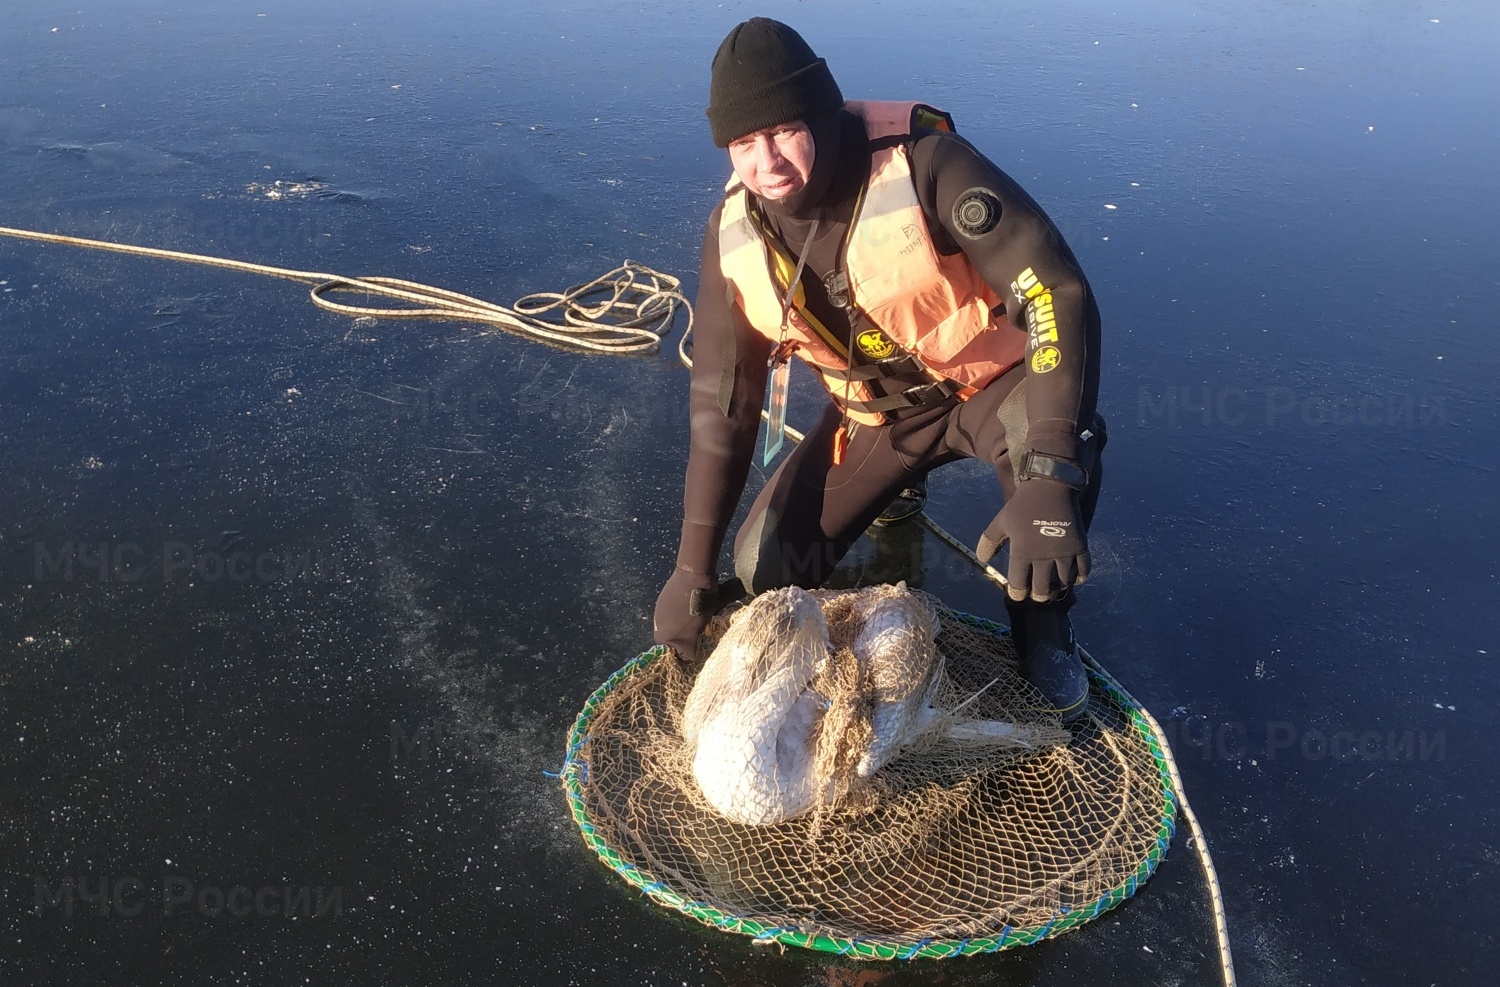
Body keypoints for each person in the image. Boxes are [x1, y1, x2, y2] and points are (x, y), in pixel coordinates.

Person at [653, 17, 1106, 722]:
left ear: (822, 113)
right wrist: (691, 567)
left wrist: (1052, 470)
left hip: (993, 389)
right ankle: (897, 488)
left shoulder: (927, 163)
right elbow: (725, 403)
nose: (767, 163)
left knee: (1054, 470)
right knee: (765, 567)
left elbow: (1057, 292)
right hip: (880, 419)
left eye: (783, 131)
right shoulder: (732, 235)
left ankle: (1044, 628)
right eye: (743, 144)